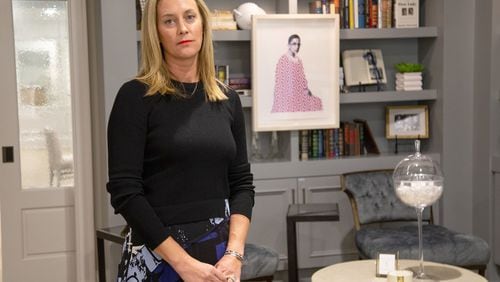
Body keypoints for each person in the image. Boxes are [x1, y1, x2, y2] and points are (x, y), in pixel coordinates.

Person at [106, 0, 255, 281]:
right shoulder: (135, 98)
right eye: (169, 21)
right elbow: (125, 191)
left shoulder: (228, 100)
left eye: (189, 17)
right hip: (156, 256)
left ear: (203, 23)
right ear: (156, 31)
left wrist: (234, 254)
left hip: (219, 257)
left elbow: (242, 184)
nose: (182, 29)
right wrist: (183, 264)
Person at [271, 34, 323, 113]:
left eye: (298, 44)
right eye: (294, 44)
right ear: (289, 45)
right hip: (287, 93)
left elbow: (302, 78)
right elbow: (280, 80)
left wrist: (306, 89)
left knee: (317, 101)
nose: (297, 46)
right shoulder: (283, 59)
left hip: (300, 91)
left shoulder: (298, 60)